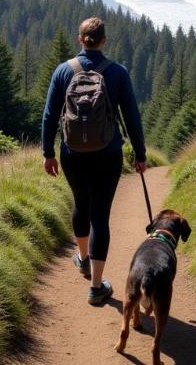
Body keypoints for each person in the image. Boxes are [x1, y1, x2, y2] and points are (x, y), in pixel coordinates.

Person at [42, 17, 147, 305]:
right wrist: (140, 154)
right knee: (100, 215)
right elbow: (132, 118)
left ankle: (84, 258)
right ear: (104, 40)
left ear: (80, 39)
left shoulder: (63, 71)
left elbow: (50, 115)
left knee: (80, 204)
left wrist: (48, 154)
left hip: (71, 153)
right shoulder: (117, 73)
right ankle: (97, 286)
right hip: (108, 153)